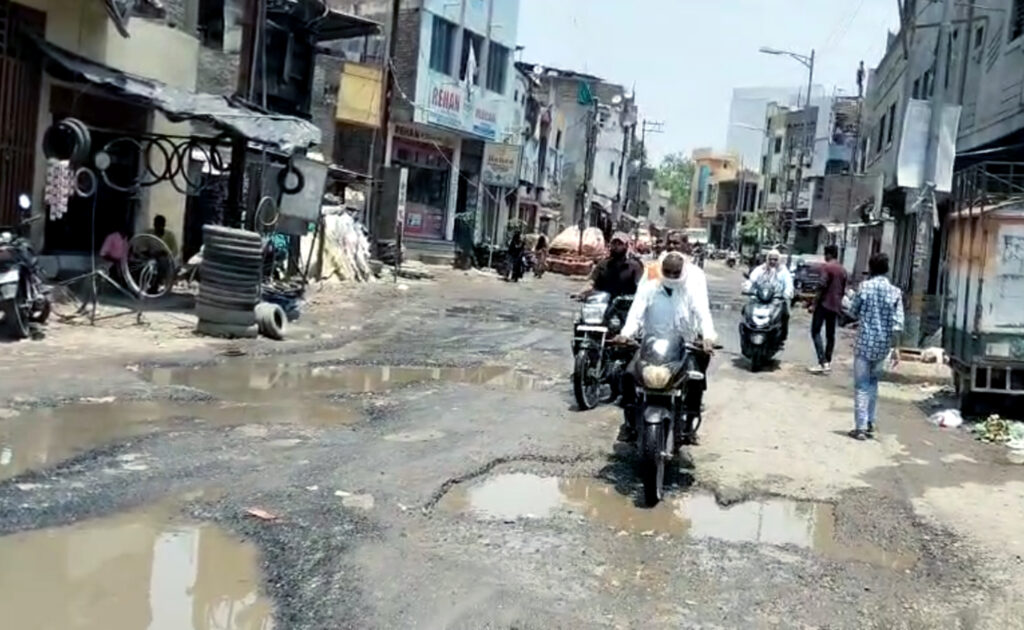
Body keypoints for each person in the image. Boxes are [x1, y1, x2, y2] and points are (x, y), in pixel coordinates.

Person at [616, 252, 717, 445]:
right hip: (650, 345)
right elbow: (635, 314)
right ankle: (629, 423)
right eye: (667, 271)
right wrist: (626, 334)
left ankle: (689, 424)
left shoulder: (690, 290)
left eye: (675, 272)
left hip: (683, 347)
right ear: (662, 270)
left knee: (696, 380)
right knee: (629, 375)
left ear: (682, 271)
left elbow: (703, 314)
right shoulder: (650, 288)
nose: (671, 276)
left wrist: (708, 337)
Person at [848, 252, 904, 441]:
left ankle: (861, 427)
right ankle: (870, 422)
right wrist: (896, 349)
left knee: (861, 386)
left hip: (864, 344)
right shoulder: (895, 292)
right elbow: (898, 324)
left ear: (871, 268)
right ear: (887, 269)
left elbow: (852, 311)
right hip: (883, 347)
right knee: (873, 384)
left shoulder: (864, 287)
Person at [808, 245, 849, 374]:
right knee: (830, 335)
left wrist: (814, 304)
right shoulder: (843, 270)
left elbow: (821, 286)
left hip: (824, 304)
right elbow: (843, 289)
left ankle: (822, 361)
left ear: (829, 254)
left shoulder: (826, 267)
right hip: (835, 305)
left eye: (825, 254)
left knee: (815, 331)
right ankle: (827, 362)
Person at [748, 248, 794, 343]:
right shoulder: (761, 269)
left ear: (779, 260)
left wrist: (787, 293)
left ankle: (782, 337)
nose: (772, 261)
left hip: (776, 300)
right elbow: (751, 280)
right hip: (760, 299)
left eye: (775, 259)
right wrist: (748, 288)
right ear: (767, 259)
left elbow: (788, 284)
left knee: (786, 314)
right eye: (770, 259)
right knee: (746, 310)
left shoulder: (783, 271)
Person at [586, 232, 644, 298]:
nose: (616, 247)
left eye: (619, 244)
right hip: (603, 301)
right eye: (614, 244)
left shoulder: (634, 266)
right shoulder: (603, 264)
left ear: (626, 246)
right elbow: (592, 283)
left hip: (625, 302)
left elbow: (640, 287)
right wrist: (585, 293)